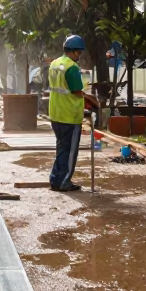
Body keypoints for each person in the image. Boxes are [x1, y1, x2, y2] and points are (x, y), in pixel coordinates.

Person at [48, 35, 99, 192]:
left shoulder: (55, 64)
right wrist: (90, 98)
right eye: (80, 52)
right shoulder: (72, 67)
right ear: (76, 52)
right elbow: (77, 91)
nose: (80, 56)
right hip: (69, 115)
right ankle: (64, 181)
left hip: (56, 112)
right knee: (69, 151)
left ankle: (55, 179)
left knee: (61, 149)